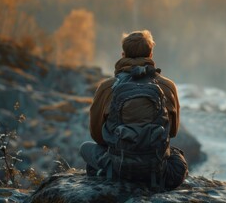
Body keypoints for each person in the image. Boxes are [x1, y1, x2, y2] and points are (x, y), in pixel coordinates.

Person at [79, 30, 188, 190]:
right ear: (150, 54)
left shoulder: (107, 87)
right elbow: (172, 131)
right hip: (156, 167)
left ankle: (107, 177)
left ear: (123, 54)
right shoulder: (167, 86)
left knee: (85, 148)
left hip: (118, 165)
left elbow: (97, 135)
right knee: (178, 158)